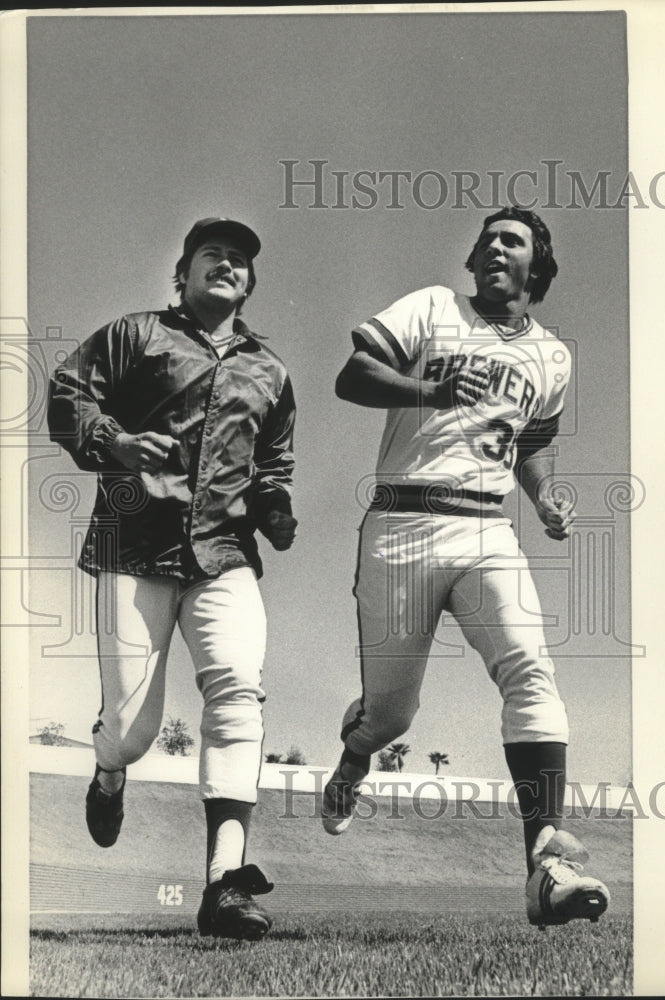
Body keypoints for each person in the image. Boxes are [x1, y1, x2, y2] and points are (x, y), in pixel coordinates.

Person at [321, 206, 610, 928]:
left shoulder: (551, 355)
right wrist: (428, 389)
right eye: (483, 242)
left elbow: (533, 441)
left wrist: (544, 497)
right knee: (392, 714)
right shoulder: (431, 306)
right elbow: (351, 375)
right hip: (400, 521)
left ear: (535, 266)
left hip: (485, 526)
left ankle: (546, 861)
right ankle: (356, 754)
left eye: (508, 242)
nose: (490, 250)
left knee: (530, 670)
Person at [47, 217, 297, 941]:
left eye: (240, 260)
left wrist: (276, 507)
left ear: (248, 284)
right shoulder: (134, 336)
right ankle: (109, 770)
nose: (228, 263)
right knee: (133, 730)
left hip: (224, 555)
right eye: (212, 254)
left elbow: (275, 462)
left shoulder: (270, 371)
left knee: (237, 691)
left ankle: (224, 884)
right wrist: (117, 444)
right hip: (134, 547)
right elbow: (67, 395)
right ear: (181, 275)